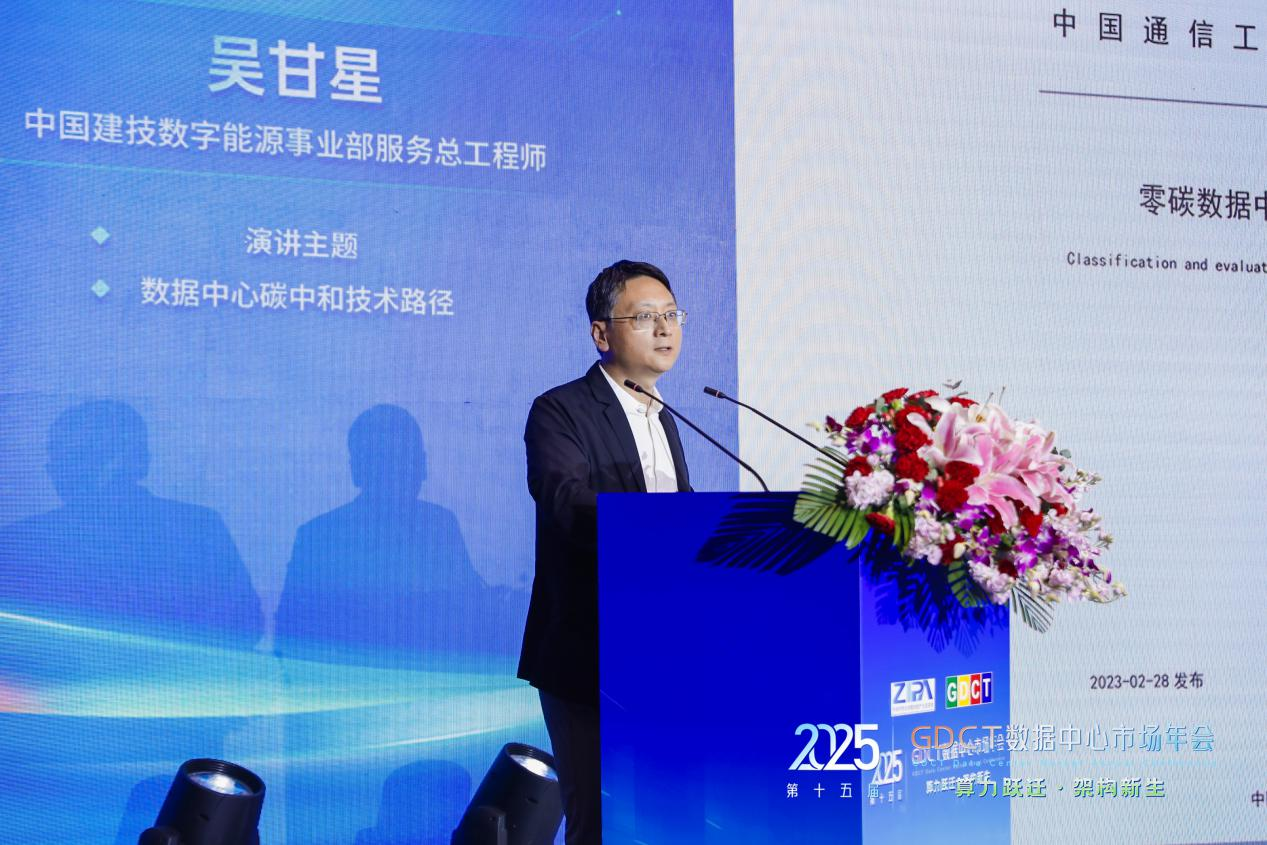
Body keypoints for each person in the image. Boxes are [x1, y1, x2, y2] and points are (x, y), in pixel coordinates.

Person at [517, 260, 691, 844]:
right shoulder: (560, 409)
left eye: (672, 315)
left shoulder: (666, 418)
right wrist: (658, 526)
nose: (664, 329)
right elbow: (565, 500)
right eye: (645, 317)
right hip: (588, 650)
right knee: (598, 821)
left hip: (666, 648)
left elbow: (684, 520)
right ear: (601, 333)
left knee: (666, 816)